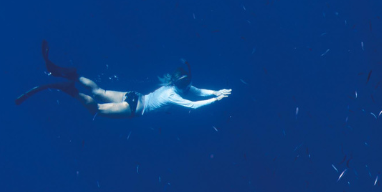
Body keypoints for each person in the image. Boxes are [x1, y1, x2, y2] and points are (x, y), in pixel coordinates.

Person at [16, 41, 231, 119]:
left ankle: (68, 74)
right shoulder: (172, 94)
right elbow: (193, 105)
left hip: (134, 95)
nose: (189, 84)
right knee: (97, 109)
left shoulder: (174, 84)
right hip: (135, 108)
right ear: (181, 83)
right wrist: (216, 101)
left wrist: (215, 92)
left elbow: (198, 90)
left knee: (99, 90)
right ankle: (69, 89)